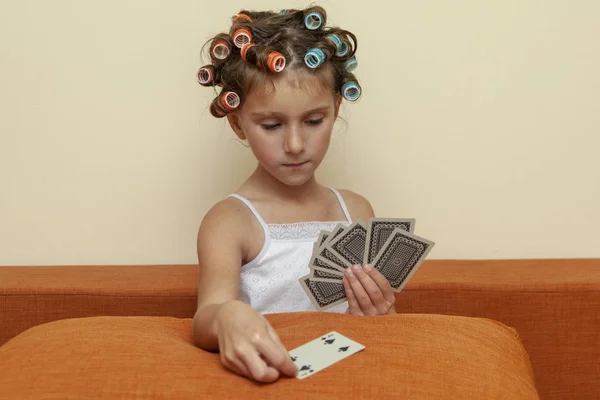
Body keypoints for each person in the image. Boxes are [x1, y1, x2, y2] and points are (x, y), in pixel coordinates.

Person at [192, 6, 396, 383]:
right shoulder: (230, 222)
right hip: (268, 380)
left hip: (350, 380)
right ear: (238, 123)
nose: (296, 144)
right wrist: (225, 317)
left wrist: (380, 312)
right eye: (271, 125)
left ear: (336, 109)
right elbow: (207, 314)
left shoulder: (355, 210)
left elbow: (379, 332)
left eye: (314, 121)